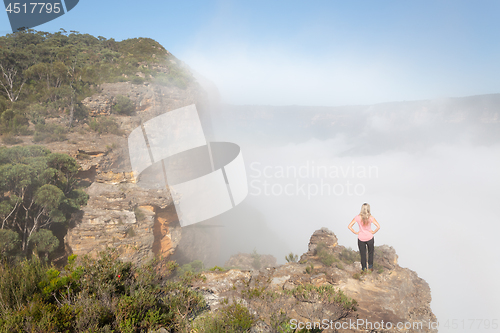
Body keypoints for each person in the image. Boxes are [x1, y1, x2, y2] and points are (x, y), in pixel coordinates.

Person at [348, 203, 381, 272]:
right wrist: (373, 232)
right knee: (370, 253)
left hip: (361, 238)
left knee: (363, 254)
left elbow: (349, 226)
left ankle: (364, 269)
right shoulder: (371, 217)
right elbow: (378, 226)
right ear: (368, 209)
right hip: (370, 238)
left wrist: (355, 232)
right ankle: (370, 267)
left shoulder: (357, 217)